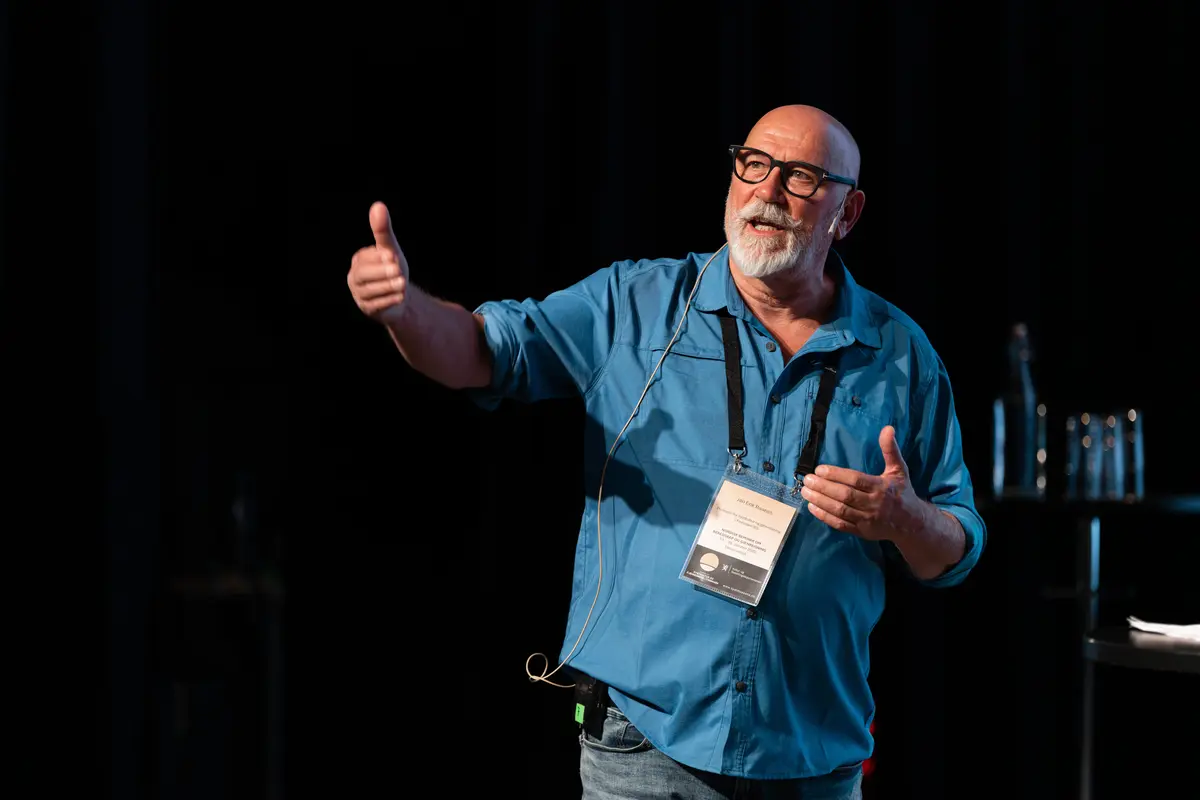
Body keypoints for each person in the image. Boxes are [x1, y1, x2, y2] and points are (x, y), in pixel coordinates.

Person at [346, 104, 986, 799]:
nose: (768, 191)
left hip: (813, 760)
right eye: (754, 165)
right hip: (646, 752)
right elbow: (483, 351)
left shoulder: (900, 356)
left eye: (800, 176)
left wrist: (905, 519)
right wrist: (406, 312)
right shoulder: (637, 304)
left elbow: (954, 548)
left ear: (848, 212)